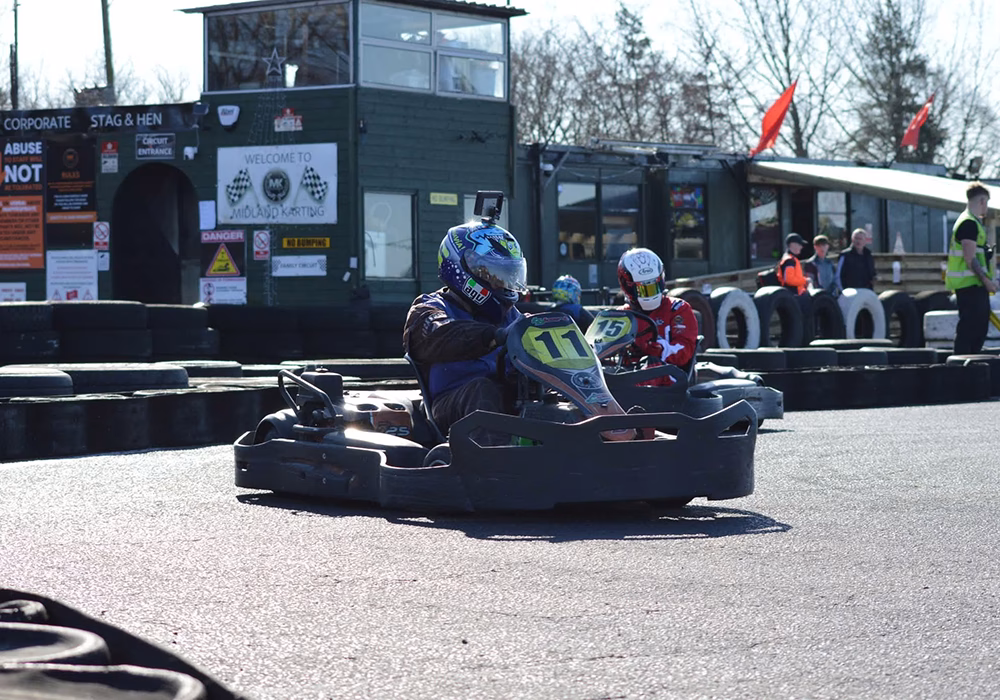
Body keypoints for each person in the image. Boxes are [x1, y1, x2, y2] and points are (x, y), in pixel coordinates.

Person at [403, 219, 527, 439]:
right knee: (482, 389)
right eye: (494, 275)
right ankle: (493, 469)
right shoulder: (429, 309)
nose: (502, 284)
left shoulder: (512, 316)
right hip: (450, 406)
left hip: (507, 398)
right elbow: (441, 333)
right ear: (464, 268)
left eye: (508, 275)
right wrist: (494, 336)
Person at [616, 247, 698, 386]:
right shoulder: (621, 315)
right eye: (643, 289)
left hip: (669, 376)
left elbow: (685, 350)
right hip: (626, 371)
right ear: (628, 287)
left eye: (653, 287)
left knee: (649, 367)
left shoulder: (677, 308)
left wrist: (659, 348)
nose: (649, 294)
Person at [946, 181, 997, 354]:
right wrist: (986, 281)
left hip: (975, 285)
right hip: (969, 285)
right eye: (986, 203)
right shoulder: (968, 223)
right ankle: (962, 368)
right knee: (969, 330)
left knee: (979, 328)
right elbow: (970, 258)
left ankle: (972, 364)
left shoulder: (974, 222)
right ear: (982, 201)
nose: (986, 208)